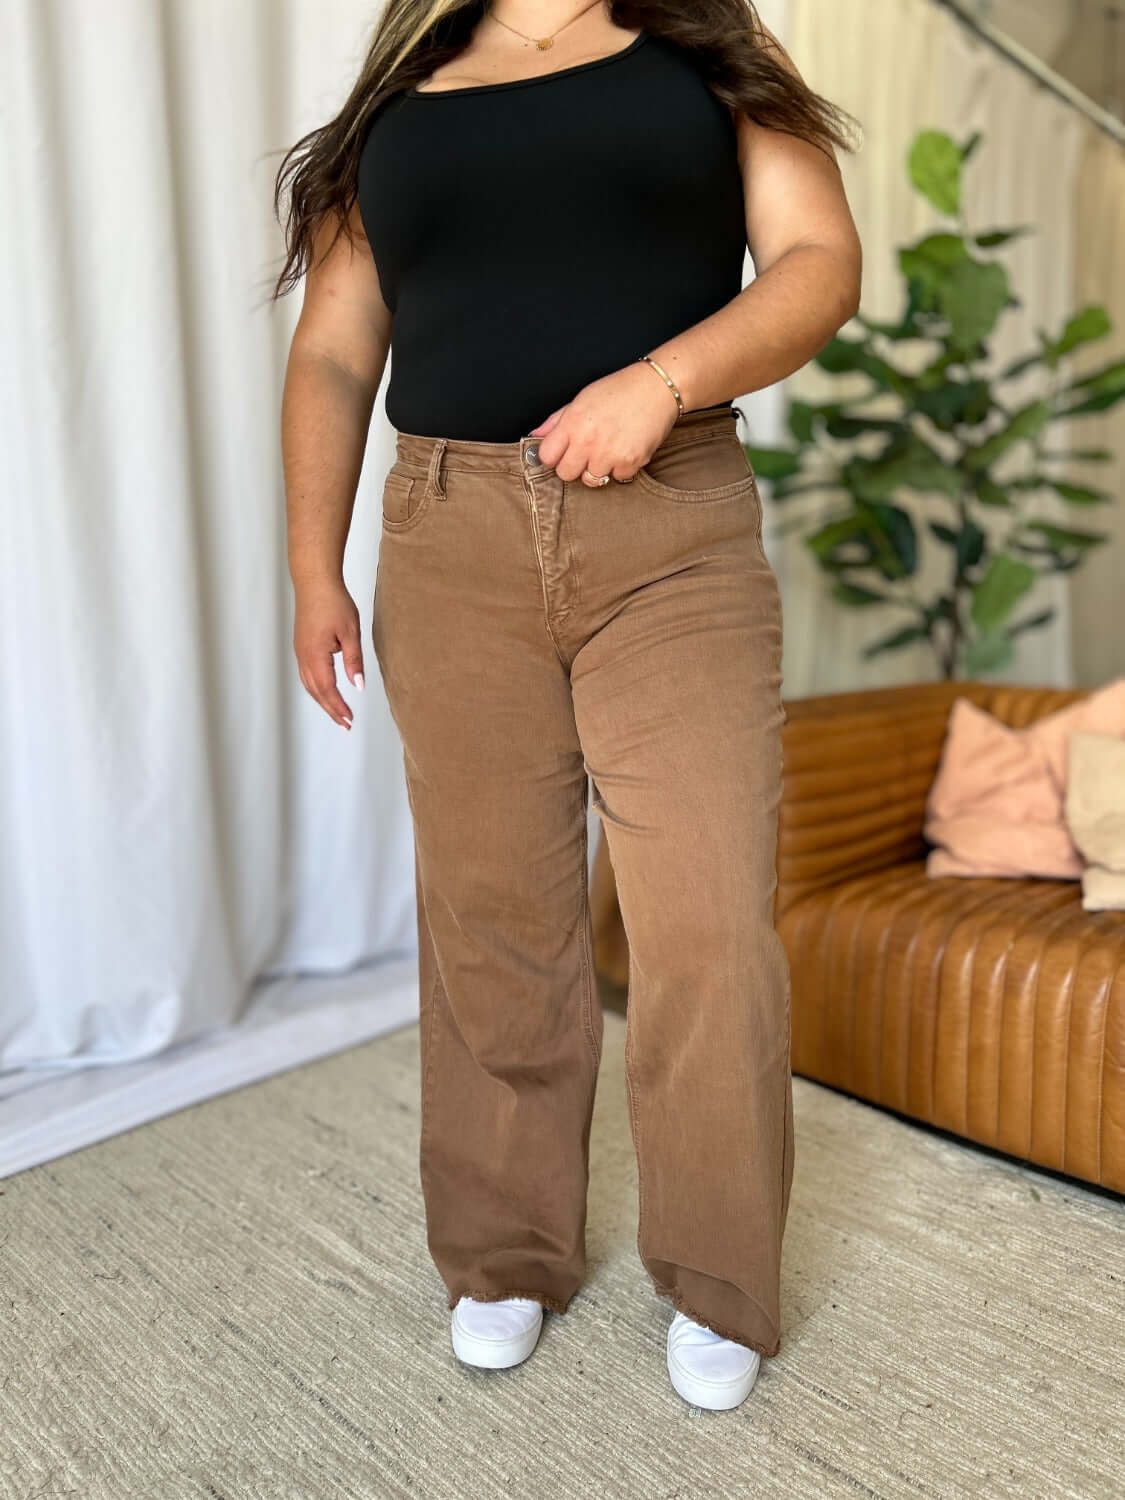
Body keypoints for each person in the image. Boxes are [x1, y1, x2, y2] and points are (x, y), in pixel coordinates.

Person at [274, 0, 861, 1411]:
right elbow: (338, 346)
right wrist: (312, 566)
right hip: (447, 533)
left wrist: (661, 381)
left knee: (706, 915)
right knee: (493, 920)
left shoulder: (709, 54)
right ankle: (502, 1253)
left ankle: (717, 1276)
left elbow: (817, 263)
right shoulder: (405, 90)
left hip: (672, 528)